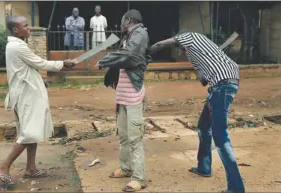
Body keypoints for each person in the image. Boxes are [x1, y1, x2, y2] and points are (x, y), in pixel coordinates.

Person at [147, 30, 245, 193]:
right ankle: (204, 167)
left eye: (179, 46)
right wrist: (204, 64)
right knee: (203, 127)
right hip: (221, 85)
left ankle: (236, 188)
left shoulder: (190, 36)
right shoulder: (195, 54)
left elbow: (160, 44)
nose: (180, 50)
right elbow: (203, 81)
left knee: (220, 136)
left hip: (222, 86)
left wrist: (144, 54)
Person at [0, 15, 77, 187]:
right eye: (25, 26)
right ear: (16, 30)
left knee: (33, 131)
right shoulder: (17, 47)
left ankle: (30, 168)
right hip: (26, 96)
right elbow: (40, 63)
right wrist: (63, 63)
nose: (29, 29)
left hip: (28, 93)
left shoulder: (17, 45)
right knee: (29, 133)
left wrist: (40, 80)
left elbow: (27, 69)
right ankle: (4, 167)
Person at [97, 9, 151, 192]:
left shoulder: (140, 34)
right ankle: (126, 168)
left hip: (134, 97)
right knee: (124, 137)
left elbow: (127, 56)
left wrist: (105, 61)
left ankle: (139, 178)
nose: (120, 25)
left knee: (135, 139)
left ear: (128, 20)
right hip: (123, 97)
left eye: (121, 22)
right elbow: (123, 62)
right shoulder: (128, 38)